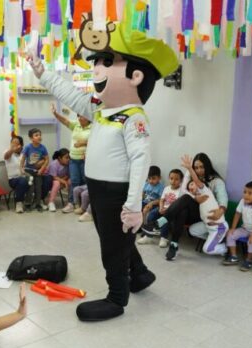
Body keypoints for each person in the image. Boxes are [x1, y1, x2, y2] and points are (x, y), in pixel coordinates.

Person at [26, 21, 178, 321]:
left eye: (106, 62)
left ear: (135, 76)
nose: (96, 67)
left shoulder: (133, 118)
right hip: (99, 189)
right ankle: (141, 274)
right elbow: (69, 93)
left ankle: (116, 298)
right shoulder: (101, 110)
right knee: (117, 239)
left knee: (112, 245)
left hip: (117, 192)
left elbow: (140, 162)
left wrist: (133, 205)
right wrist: (40, 70)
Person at [142, 153, 229, 247]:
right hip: (191, 211)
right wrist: (189, 171)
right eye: (196, 168)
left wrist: (221, 211)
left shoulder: (216, 181)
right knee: (182, 210)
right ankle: (173, 245)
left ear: (207, 166)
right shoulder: (192, 178)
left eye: (202, 167)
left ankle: (159, 223)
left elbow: (223, 199)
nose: (199, 170)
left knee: (186, 198)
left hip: (206, 214)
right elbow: (183, 191)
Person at [50, 104, 92, 213]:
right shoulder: (76, 125)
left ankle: (84, 206)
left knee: (85, 183)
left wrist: (84, 143)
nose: (79, 118)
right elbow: (65, 121)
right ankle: (71, 203)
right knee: (74, 182)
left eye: (82, 116)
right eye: (78, 116)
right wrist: (55, 113)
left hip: (86, 160)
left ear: (88, 117)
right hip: (73, 159)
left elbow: (99, 142)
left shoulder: (94, 127)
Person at [223, 180, 252, 271]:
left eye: (250, 193)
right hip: (245, 228)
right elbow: (237, 214)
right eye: (245, 192)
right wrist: (233, 228)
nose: (246, 195)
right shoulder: (242, 201)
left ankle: (249, 261)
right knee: (230, 235)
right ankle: (234, 257)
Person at [139, 169, 183, 249]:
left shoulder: (181, 191)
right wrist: (161, 207)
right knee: (152, 214)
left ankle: (164, 238)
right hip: (162, 207)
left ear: (181, 180)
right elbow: (162, 200)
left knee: (165, 218)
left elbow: (178, 204)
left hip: (172, 211)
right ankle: (149, 235)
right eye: (171, 178)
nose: (173, 181)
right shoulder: (167, 188)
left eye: (176, 179)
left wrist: (167, 210)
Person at [19, 128, 49, 212]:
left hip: (38, 172)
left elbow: (47, 159)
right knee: (30, 188)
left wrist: (41, 169)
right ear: (31, 138)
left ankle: (38, 204)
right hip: (28, 171)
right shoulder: (28, 147)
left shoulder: (43, 148)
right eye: (36, 135)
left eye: (40, 135)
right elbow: (23, 158)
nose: (39, 136)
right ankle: (27, 204)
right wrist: (21, 168)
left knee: (38, 187)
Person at [4, 136, 32, 213]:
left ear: (21, 145)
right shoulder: (8, 152)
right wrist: (12, 149)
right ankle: (19, 203)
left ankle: (36, 202)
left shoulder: (24, 154)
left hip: (25, 177)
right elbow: (6, 157)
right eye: (13, 143)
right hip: (13, 179)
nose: (14, 145)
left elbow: (29, 165)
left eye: (17, 143)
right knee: (22, 181)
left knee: (37, 179)